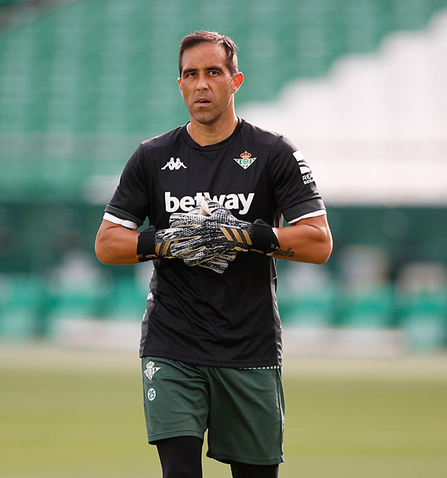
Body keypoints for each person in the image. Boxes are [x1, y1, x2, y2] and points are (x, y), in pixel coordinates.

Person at [95, 30, 332, 478]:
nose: (201, 84)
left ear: (235, 80)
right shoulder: (152, 157)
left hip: (250, 346)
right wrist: (167, 241)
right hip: (172, 345)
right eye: (190, 74)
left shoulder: (273, 153)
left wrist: (244, 235)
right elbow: (107, 244)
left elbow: (318, 241)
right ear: (180, 84)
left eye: (213, 72)